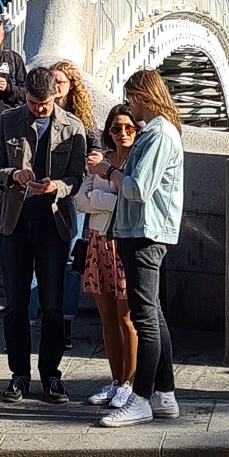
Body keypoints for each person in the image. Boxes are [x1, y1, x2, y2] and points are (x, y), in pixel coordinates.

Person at [0, 68, 87, 405]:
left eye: (44, 104)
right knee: (15, 304)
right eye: (32, 103)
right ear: (25, 96)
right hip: (15, 221)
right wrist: (13, 174)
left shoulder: (72, 126)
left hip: (53, 222)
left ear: (55, 97)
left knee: (53, 305)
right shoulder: (8, 122)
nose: (39, 109)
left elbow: (78, 176)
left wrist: (56, 186)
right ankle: (19, 374)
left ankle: (51, 376)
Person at [94, 70, 184, 427]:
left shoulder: (160, 133)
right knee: (153, 312)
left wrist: (109, 172)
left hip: (147, 232)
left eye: (131, 97)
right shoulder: (157, 132)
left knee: (144, 316)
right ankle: (164, 394)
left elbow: (138, 188)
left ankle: (142, 397)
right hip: (141, 230)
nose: (129, 104)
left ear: (144, 95)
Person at [76, 105, 138, 411]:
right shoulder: (100, 161)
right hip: (98, 242)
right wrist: (106, 199)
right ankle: (115, 381)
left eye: (128, 128)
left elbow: (129, 200)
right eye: (116, 128)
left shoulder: (137, 161)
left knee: (127, 318)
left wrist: (99, 200)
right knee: (107, 318)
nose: (122, 134)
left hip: (123, 242)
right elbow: (78, 201)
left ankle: (131, 383)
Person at [47, 61, 99, 349]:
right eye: (52, 81)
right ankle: (36, 318)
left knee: (69, 258)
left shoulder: (82, 120)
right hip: (44, 191)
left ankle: (65, 322)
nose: (55, 87)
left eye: (61, 82)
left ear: (71, 86)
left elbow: (96, 149)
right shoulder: (38, 112)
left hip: (73, 194)